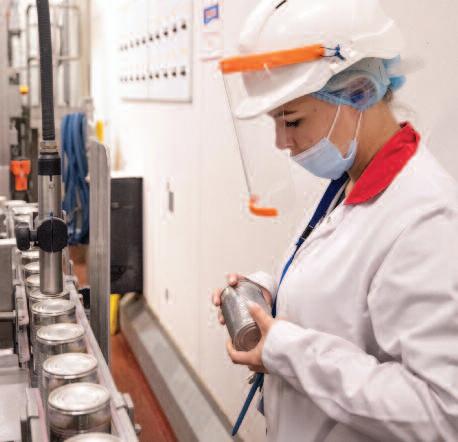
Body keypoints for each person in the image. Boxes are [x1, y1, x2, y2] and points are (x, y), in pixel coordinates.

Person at [212, 0, 458, 441]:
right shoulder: (346, 179)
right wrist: (269, 294)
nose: (281, 141)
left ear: (359, 92)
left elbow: (440, 412)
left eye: (291, 120)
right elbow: (342, 296)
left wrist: (287, 350)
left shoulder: (427, 219)